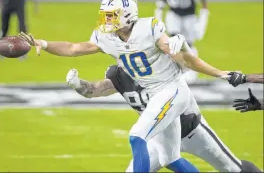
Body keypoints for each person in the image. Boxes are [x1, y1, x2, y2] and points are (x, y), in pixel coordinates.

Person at [19, 0, 235, 172]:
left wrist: (219, 73)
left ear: (127, 15)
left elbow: (186, 60)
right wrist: (44, 43)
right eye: (106, 15)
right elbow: (74, 48)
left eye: (112, 15)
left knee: (136, 135)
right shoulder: (107, 37)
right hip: (154, 95)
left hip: (172, 89)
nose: (107, 20)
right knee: (170, 158)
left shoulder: (149, 28)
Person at [66, 67, 262, 172]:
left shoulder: (161, 67)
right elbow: (94, 90)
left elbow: (189, 61)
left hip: (191, 130)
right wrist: (78, 84)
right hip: (159, 136)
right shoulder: (118, 76)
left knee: (232, 168)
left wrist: (241, 77)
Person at [155, 0, 209, 83]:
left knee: (188, 43)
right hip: (174, 14)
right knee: (173, 43)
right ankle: (175, 70)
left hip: (189, 15)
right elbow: (162, 0)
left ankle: (191, 69)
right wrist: (159, 15)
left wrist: (203, 16)